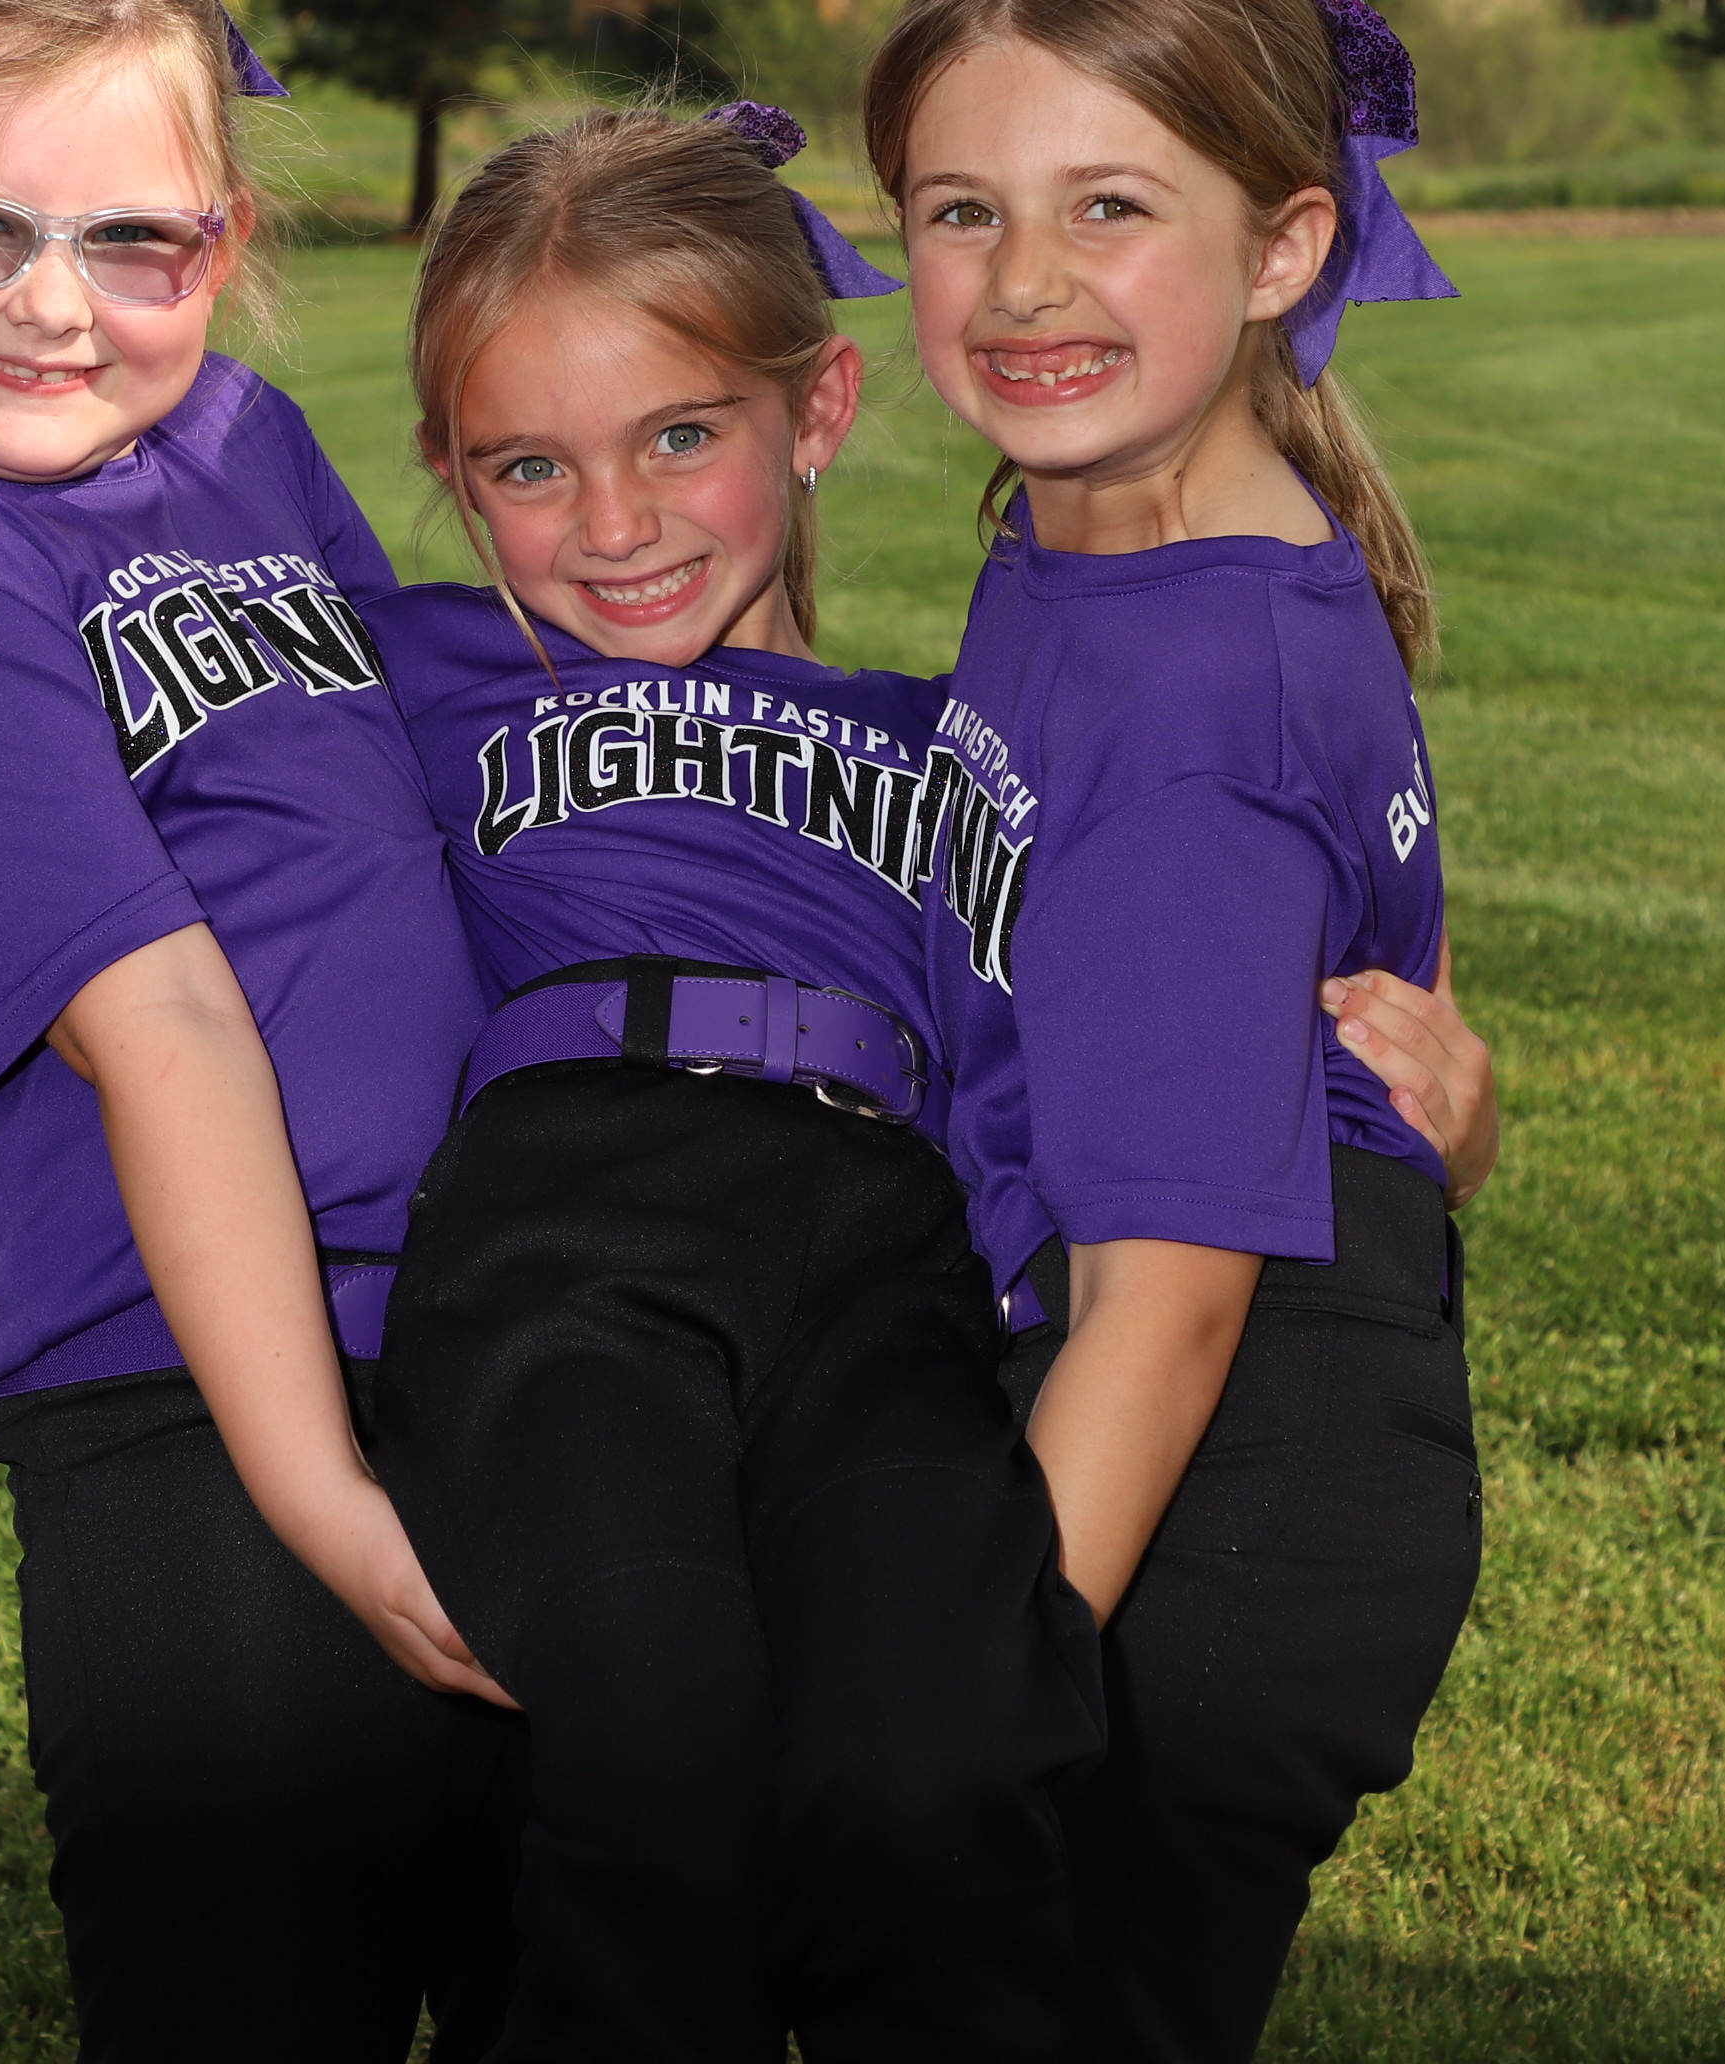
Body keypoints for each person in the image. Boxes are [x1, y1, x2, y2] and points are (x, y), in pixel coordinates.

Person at [0, 0, 519, 2063]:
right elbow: (161, 1024)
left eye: (134, 241)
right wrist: (320, 1501)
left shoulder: (242, 444)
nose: (53, 308)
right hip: (197, 1415)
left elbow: (414, 786)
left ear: (223, 243)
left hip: (475, 1323)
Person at [362, 101, 1106, 2063]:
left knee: (935, 1777)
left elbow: (1144, 994)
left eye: (681, 435)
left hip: (877, 1250)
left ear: (818, 407)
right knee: (654, 1758)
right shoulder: (430, 676)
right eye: (531, 467)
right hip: (568, 1223)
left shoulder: (952, 742)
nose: (615, 525)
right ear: (450, 476)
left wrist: (1440, 1091)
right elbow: (113, 778)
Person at [862, 0, 1502, 2063]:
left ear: (1285, 245)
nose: (1024, 280)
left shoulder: (1184, 702)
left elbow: (1171, 1297)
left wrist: (973, 1709)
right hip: (1244, 1427)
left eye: (1109, 206)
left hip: (1211, 1488)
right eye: (961, 211)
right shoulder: (1128, 546)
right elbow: (1375, 978)